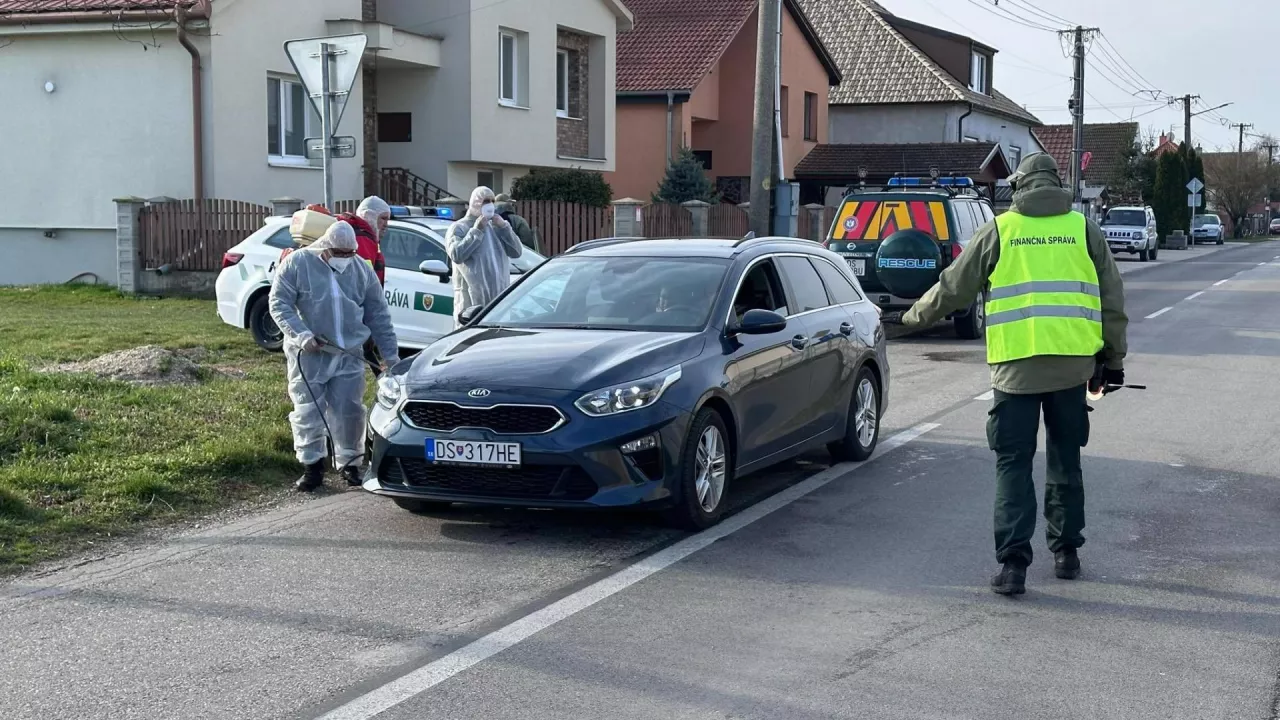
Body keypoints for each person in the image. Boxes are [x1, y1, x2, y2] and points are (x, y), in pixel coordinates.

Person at [901, 152, 1128, 596]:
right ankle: (1066, 554)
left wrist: (908, 319)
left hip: (1014, 374)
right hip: (1071, 370)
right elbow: (1111, 300)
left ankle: (1013, 567)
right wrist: (1113, 361)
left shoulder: (1000, 230)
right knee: (1066, 460)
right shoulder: (1083, 230)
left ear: (1019, 186)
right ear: (1056, 183)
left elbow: (953, 287)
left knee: (1013, 465)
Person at [269, 221, 398, 492]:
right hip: (310, 353)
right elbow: (279, 302)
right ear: (326, 247)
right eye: (339, 253)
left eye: (349, 253)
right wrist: (301, 334)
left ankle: (350, 463)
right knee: (308, 409)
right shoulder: (298, 264)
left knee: (349, 410)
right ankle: (312, 466)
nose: (344, 259)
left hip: (349, 353)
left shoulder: (361, 269)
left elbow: (378, 314)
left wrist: (391, 357)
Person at [445, 186, 523, 327]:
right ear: (475, 202)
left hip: (498, 304)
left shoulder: (496, 226)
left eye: (492, 201)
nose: (490, 205)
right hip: (471, 305)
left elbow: (516, 251)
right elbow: (456, 254)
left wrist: (504, 227)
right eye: (485, 201)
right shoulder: (459, 227)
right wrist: (476, 230)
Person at [337, 196, 392, 377]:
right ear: (370, 216)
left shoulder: (362, 236)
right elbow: (362, 284)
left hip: (349, 316)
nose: (386, 224)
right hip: (355, 316)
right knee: (351, 373)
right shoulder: (363, 240)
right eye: (382, 218)